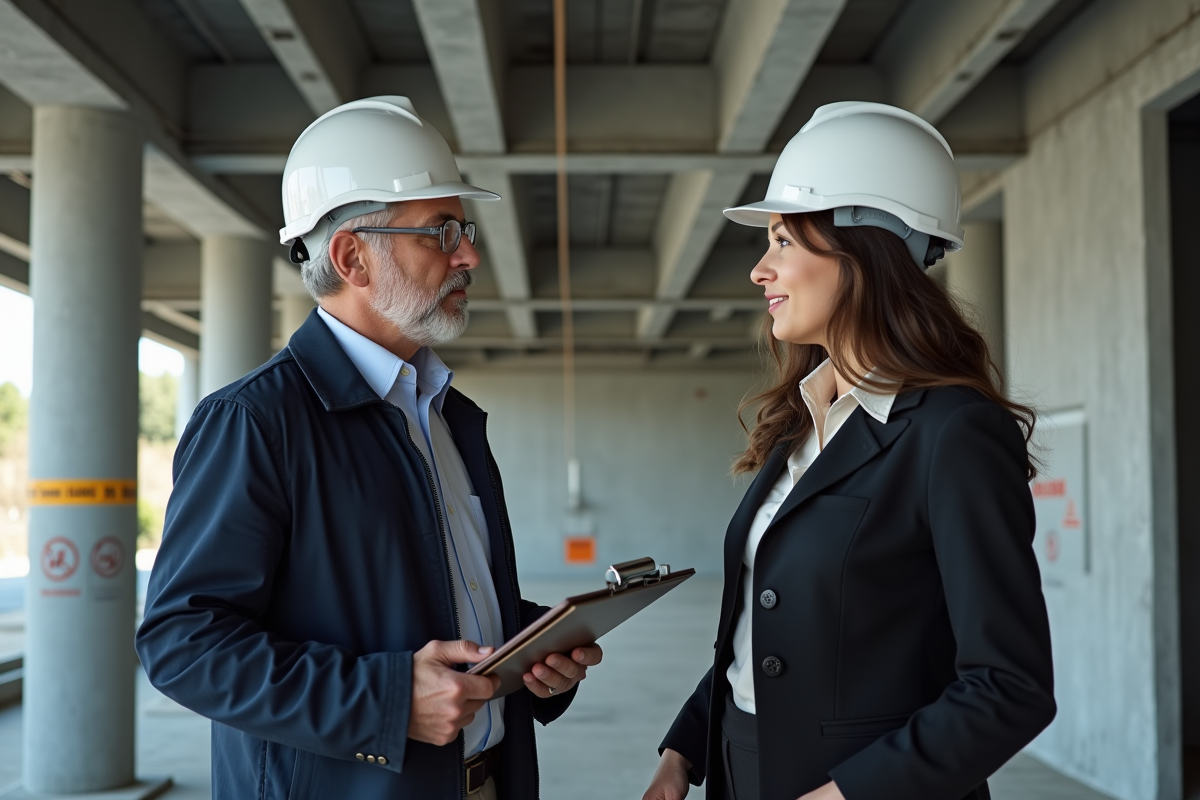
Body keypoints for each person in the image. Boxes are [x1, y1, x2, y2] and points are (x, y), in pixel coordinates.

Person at [136, 96, 601, 800]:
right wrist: (382, 703)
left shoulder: (447, 416)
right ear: (352, 257)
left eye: (464, 230)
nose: (469, 255)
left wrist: (529, 647)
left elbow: (422, 595)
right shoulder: (256, 421)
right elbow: (183, 643)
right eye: (441, 232)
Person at [640, 102, 1056, 800]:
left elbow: (1010, 686)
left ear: (862, 249)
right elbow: (771, 634)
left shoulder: (954, 433)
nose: (759, 271)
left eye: (782, 240)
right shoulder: (803, 422)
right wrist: (682, 753)